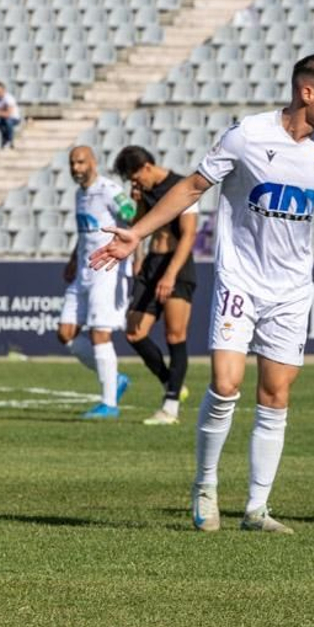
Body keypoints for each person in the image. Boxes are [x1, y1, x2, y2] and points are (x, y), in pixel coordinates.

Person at [90, 55, 314, 533]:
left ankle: (257, 509)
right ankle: (206, 485)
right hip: (241, 280)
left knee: (275, 394)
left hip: (291, 289)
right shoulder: (247, 135)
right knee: (226, 383)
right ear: (307, 93)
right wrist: (138, 231)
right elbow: (195, 186)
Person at [113, 146, 198, 426]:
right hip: (151, 263)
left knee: (175, 335)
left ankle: (170, 407)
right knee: (134, 332)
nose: (134, 184)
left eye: (136, 178)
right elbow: (139, 228)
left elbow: (188, 236)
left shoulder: (182, 187)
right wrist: (139, 257)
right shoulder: (143, 191)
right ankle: (171, 383)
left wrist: (170, 274)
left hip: (177, 265)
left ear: (147, 167)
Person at [60, 146, 136, 421]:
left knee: (99, 334)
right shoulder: (79, 195)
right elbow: (86, 233)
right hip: (82, 271)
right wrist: (72, 259)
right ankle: (115, 378)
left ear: (93, 162)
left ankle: (109, 403)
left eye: (80, 162)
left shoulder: (108, 189)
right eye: (72, 163)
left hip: (107, 271)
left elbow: (132, 215)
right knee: (66, 333)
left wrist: (132, 250)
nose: (76, 168)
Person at [0, 81, 20, 148]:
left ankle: (9, 140)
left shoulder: (9, 98)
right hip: (0, 118)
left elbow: (8, 115)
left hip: (13, 119)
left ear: (4, 90)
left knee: (7, 121)